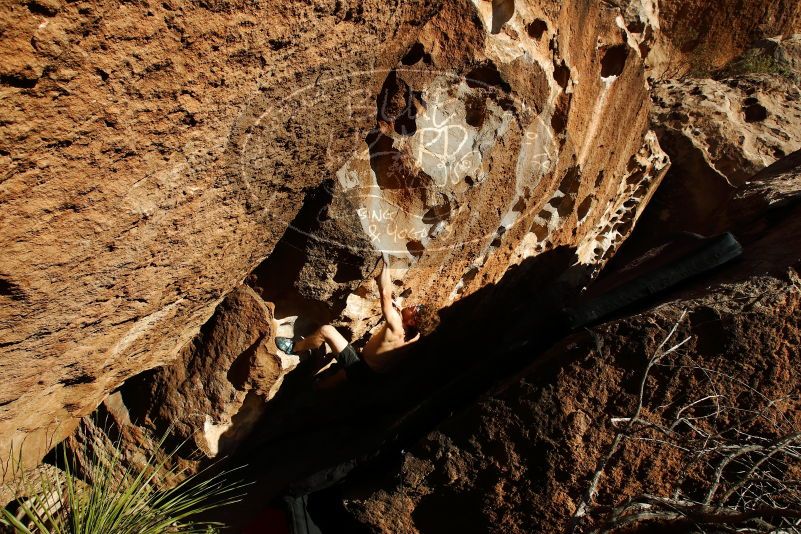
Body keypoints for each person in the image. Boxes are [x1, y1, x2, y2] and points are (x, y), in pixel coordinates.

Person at [275, 254, 437, 383]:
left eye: (417, 309)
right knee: (325, 385)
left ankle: (294, 347)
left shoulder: (396, 324)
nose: (415, 305)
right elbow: (401, 312)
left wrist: (386, 265)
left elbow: (385, 293)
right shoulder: (415, 335)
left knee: (327, 330)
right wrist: (400, 307)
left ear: (412, 322)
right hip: (373, 375)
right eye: (419, 306)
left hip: (360, 366)